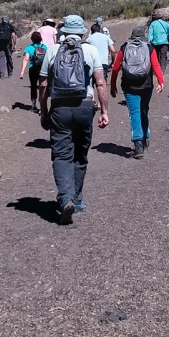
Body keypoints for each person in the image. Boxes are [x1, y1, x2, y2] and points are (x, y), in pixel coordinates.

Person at [38, 14, 109, 223]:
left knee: (61, 155)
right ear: (82, 32)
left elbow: (43, 85)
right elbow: (101, 83)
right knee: (80, 152)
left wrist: (44, 111)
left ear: (63, 31)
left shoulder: (52, 51)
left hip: (59, 108)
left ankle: (65, 197)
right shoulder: (91, 50)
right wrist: (104, 111)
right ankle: (77, 199)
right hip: (85, 106)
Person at [110, 25, 165, 159]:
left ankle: (138, 144)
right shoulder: (149, 47)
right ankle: (145, 138)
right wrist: (160, 81)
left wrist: (112, 85)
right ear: (143, 36)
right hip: (146, 85)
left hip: (129, 86)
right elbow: (155, 64)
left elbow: (116, 67)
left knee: (134, 112)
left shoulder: (125, 47)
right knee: (144, 110)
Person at [19, 30, 47, 110]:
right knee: (43, 87)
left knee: (33, 87)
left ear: (32, 39)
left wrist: (22, 72)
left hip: (33, 69)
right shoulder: (44, 47)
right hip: (43, 69)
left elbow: (26, 59)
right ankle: (42, 106)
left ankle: (34, 105)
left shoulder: (29, 48)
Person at [87, 21, 115, 86]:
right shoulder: (106, 37)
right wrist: (112, 62)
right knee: (102, 85)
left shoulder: (88, 39)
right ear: (99, 30)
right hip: (104, 63)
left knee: (91, 85)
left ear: (91, 31)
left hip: (93, 64)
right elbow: (113, 51)